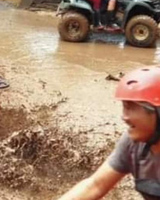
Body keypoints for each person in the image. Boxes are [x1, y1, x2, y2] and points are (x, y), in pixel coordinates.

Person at [58, 65, 160, 200]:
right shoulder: (133, 143)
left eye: (131, 108)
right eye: (124, 107)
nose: (124, 117)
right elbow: (95, 186)